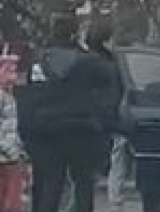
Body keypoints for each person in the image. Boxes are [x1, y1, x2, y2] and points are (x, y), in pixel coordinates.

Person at [15, 12, 117, 212]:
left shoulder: (38, 61)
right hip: (78, 129)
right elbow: (110, 80)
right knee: (83, 182)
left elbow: (26, 94)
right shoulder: (87, 62)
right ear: (74, 35)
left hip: (43, 130)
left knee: (50, 183)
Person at [85, 16, 130, 212]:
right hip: (107, 118)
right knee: (118, 153)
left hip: (95, 118)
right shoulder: (108, 63)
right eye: (113, 38)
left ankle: (114, 198)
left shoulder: (91, 59)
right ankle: (115, 199)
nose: (116, 42)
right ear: (105, 39)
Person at [0, 49, 24, 212]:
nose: (13, 75)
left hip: (12, 154)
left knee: (12, 197)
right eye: (9, 69)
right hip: (6, 154)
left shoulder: (11, 96)